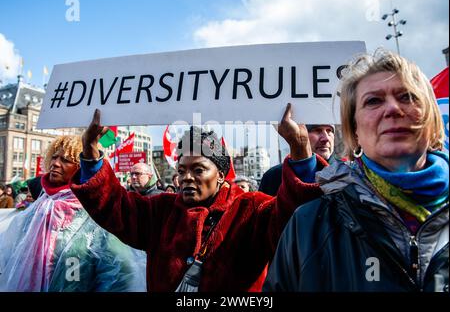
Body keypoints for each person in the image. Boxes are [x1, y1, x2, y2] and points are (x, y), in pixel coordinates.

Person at [69, 106, 324, 292]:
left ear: (221, 174)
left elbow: (293, 216)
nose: (187, 178)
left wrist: (301, 151)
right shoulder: (161, 211)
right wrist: (91, 156)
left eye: (198, 170)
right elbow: (114, 206)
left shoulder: (251, 209)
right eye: (181, 171)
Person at [263, 49, 449, 292]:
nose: (393, 109)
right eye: (373, 101)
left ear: (432, 119)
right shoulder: (308, 227)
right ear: (355, 131)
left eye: (408, 97)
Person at [0, 135, 146, 291]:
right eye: (54, 157)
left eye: (65, 160)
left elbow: (120, 277)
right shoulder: (38, 210)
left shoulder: (99, 213)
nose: (55, 164)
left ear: (82, 167)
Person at [259, 124, 336, 196]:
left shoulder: (345, 173)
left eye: (329, 131)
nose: (326, 138)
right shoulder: (274, 177)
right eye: (317, 130)